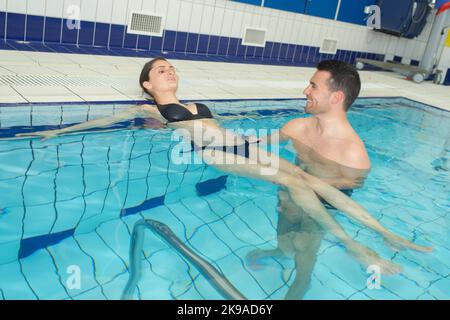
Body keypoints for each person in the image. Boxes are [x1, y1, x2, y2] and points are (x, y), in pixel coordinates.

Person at [17, 58, 432, 277]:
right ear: (148, 85)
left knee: (304, 178)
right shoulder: (148, 109)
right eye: (159, 70)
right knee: (297, 180)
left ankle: (384, 233)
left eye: (171, 67)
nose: (168, 71)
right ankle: (358, 246)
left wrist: (253, 140)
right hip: (220, 155)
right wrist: (57, 133)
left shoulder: (196, 104)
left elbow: (222, 128)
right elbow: (102, 123)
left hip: (241, 144)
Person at [247, 60, 374, 299]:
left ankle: (300, 284)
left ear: (336, 98)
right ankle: (280, 251)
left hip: (315, 214)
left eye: (313, 86)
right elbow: (257, 143)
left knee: (304, 257)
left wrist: (302, 184)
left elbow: (345, 198)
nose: (306, 91)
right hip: (286, 199)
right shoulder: (297, 127)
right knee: (284, 241)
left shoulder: (353, 154)